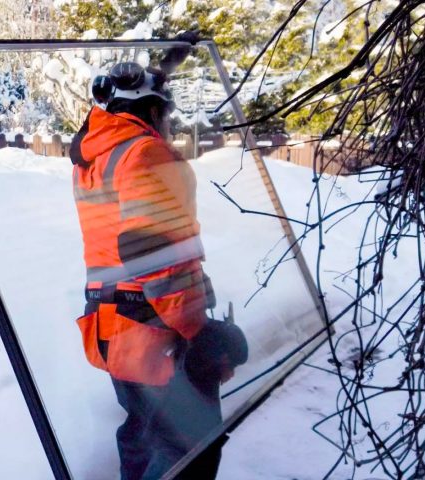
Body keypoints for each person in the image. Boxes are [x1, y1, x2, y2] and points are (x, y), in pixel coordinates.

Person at [70, 58, 247, 480]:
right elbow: (153, 250)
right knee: (188, 453)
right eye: (165, 112)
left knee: (141, 437)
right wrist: (198, 333)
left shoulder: (94, 161)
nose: (168, 122)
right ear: (150, 110)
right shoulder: (146, 154)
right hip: (159, 333)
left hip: (115, 329)